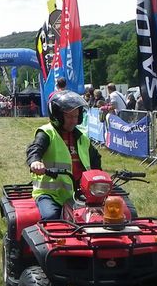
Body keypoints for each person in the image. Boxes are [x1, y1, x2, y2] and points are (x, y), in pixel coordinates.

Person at [26, 90, 102, 220]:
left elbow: (95, 160)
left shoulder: (82, 137)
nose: (73, 121)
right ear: (57, 116)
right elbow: (35, 149)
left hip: (80, 192)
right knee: (51, 217)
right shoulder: (47, 133)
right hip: (51, 194)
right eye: (69, 117)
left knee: (110, 212)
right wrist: (35, 162)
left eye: (76, 116)